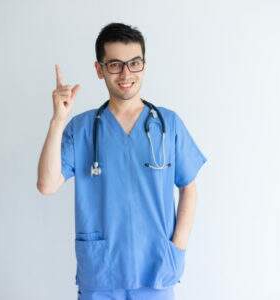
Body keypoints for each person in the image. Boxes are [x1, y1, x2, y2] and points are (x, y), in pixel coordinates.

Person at [37, 22, 207, 300]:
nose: (126, 73)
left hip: (157, 271)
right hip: (102, 273)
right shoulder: (81, 129)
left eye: (134, 63)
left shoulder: (168, 125)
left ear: (144, 65)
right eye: (115, 64)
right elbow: (46, 184)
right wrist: (58, 120)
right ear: (99, 69)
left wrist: (176, 248)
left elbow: (189, 187)